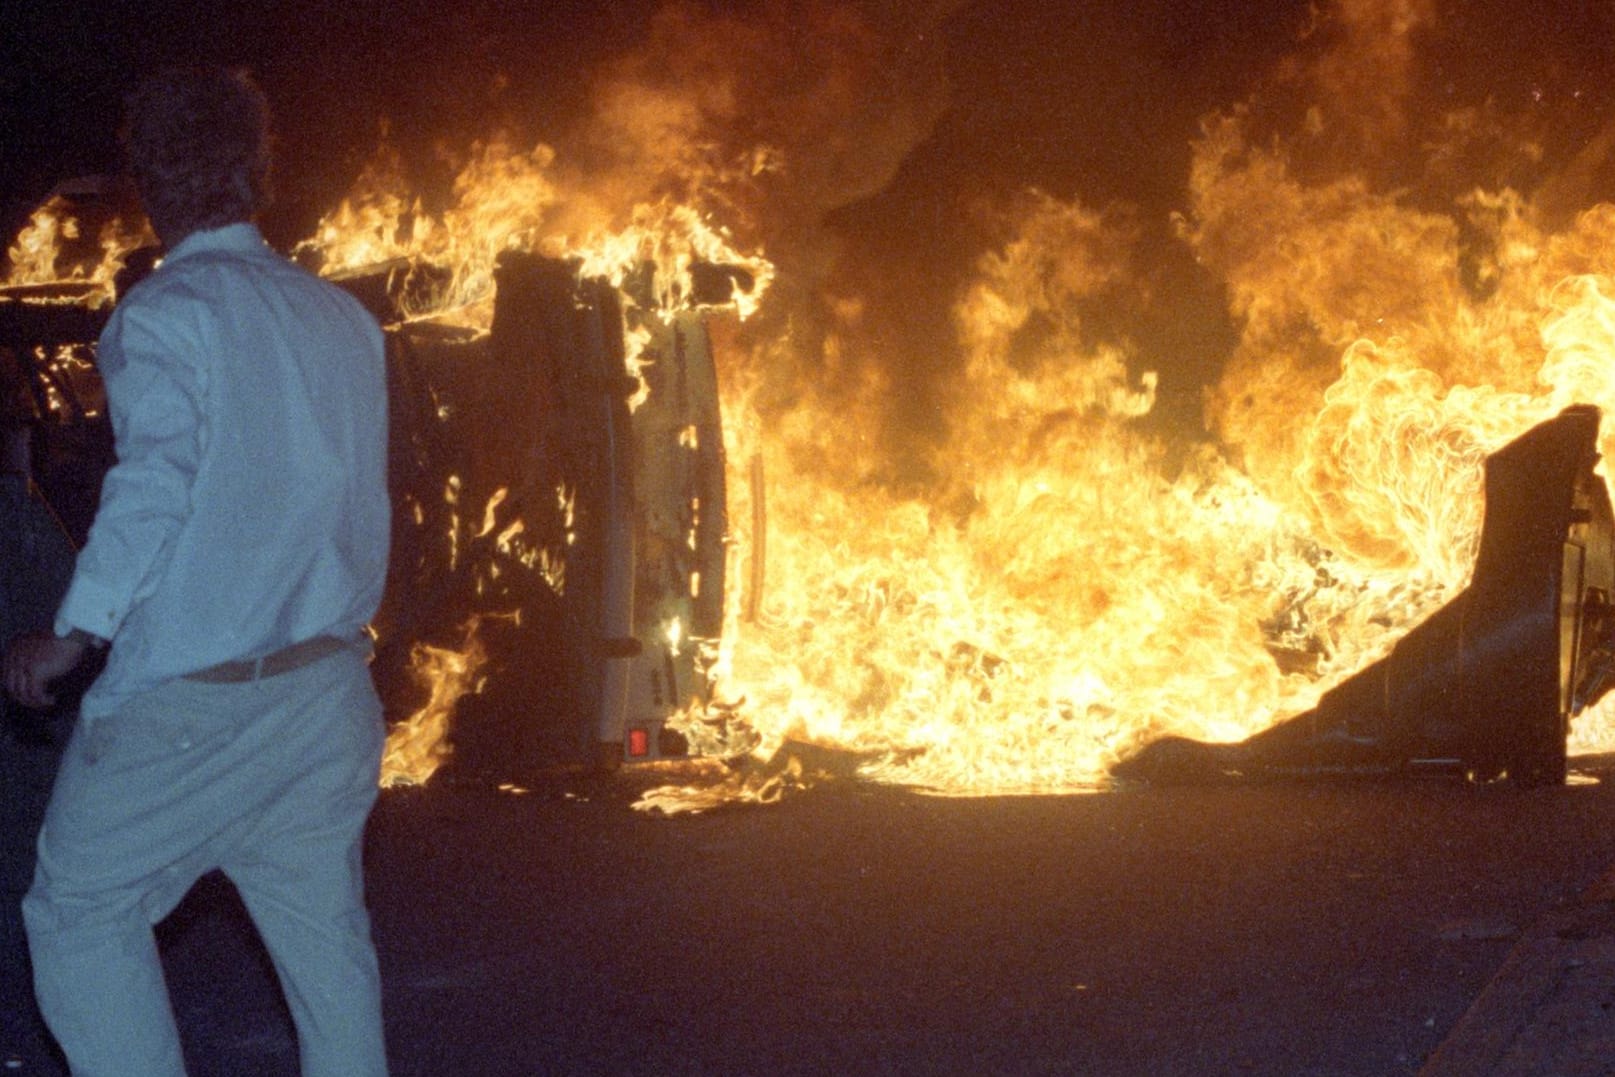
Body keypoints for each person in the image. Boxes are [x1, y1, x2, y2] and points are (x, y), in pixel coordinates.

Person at [2, 66, 391, 1077]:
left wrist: (71, 635)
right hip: (327, 695)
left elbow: (155, 487)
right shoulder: (343, 320)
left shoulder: (166, 313)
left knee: (80, 914)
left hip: (197, 707)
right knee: (330, 961)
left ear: (148, 183)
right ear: (257, 172)